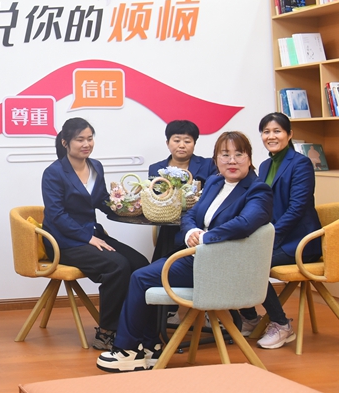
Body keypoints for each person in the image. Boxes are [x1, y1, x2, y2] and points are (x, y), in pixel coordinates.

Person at [97, 131, 273, 373]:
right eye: (225, 155)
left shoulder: (258, 190)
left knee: (140, 278)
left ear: (249, 158)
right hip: (199, 259)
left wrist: (206, 237)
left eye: (239, 154)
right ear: (216, 159)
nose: (232, 161)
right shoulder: (215, 183)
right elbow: (190, 213)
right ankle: (149, 347)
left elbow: (244, 224)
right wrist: (191, 231)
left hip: (221, 266)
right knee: (143, 275)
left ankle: (128, 349)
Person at [41, 118, 149, 351]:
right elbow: (56, 215)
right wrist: (87, 238)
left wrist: (124, 207)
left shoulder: (96, 167)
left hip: (92, 234)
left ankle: (133, 326)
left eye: (90, 138)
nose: (86, 144)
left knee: (140, 264)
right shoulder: (54, 173)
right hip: (63, 241)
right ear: (65, 142)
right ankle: (106, 333)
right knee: (117, 266)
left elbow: (100, 200)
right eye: (79, 139)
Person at [239, 113, 322, 348]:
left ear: (289, 134)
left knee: (251, 262)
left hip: (301, 242)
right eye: (266, 132)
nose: (271, 136)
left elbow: (297, 208)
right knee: (235, 256)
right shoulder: (265, 166)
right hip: (276, 238)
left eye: (277, 131)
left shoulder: (301, 163)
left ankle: (281, 324)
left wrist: (270, 239)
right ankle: (251, 318)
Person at [147, 120, 217, 260]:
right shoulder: (156, 168)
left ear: (194, 143)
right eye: (177, 140)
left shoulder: (208, 164)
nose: (182, 145)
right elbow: (153, 198)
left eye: (187, 141)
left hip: (199, 224)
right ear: (168, 143)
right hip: (168, 224)